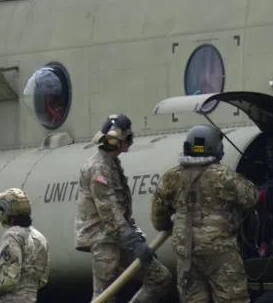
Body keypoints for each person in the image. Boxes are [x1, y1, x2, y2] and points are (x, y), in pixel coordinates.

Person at [151, 124, 258, 303]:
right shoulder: (223, 175)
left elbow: (158, 219)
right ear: (216, 148)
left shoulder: (171, 177)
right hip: (219, 251)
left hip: (186, 255)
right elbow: (251, 198)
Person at [75, 113, 172, 303]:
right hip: (105, 242)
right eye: (127, 138)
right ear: (115, 140)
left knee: (159, 278)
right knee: (104, 296)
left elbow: (121, 210)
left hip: (120, 239)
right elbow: (109, 212)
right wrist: (136, 244)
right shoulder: (99, 167)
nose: (130, 142)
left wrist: (136, 238)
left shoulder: (112, 163)